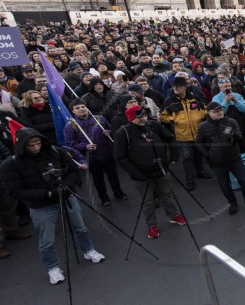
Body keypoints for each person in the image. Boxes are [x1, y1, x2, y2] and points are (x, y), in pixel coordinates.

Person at [0, 128, 105, 284]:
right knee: (46, 240)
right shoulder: (11, 164)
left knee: (81, 227)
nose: (36, 147)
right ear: (21, 145)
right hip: (41, 206)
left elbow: (72, 170)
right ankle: (52, 267)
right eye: (31, 145)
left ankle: (88, 250)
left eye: (38, 143)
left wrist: (65, 186)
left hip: (66, 197)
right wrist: (46, 194)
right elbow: (15, 191)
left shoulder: (56, 151)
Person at [114, 104, 185, 240]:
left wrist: (174, 156)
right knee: (147, 202)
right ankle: (151, 225)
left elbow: (169, 137)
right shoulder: (123, 133)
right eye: (140, 116)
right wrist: (136, 174)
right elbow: (120, 157)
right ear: (131, 118)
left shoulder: (153, 126)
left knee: (167, 195)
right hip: (141, 176)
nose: (144, 118)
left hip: (161, 169)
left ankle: (174, 215)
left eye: (145, 115)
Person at [195, 101, 245, 215]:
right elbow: (198, 143)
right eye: (216, 111)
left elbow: (240, 139)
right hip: (218, 163)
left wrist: (231, 133)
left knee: (244, 182)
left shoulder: (230, 122)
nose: (219, 113)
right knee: (224, 186)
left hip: (234, 159)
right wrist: (207, 155)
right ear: (209, 113)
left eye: (221, 110)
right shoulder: (203, 127)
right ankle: (233, 204)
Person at [64, 100, 127, 206]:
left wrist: (108, 133)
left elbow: (111, 130)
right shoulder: (71, 126)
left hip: (107, 153)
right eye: (77, 108)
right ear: (73, 111)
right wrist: (85, 146)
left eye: (83, 106)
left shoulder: (99, 119)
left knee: (113, 175)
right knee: (98, 179)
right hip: (92, 157)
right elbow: (70, 144)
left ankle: (118, 192)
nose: (81, 109)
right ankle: (104, 197)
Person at [159, 76, 211, 191]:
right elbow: (162, 116)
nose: (175, 88)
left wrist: (201, 115)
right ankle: (190, 180)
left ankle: (200, 172)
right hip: (183, 135)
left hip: (197, 132)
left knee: (198, 154)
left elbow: (205, 108)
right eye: (174, 86)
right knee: (187, 157)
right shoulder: (169, 101)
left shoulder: (194, 97)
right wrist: (173, 119)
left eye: (178, 86)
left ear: (185, 87)